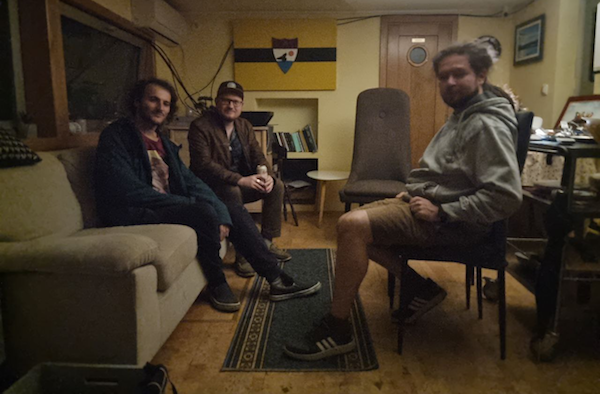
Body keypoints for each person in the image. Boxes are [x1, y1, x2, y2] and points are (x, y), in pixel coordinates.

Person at [283, 42, 523, 361]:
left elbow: (506, 196)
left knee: (351, 224)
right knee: (354, 231)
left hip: (456, 223)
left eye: (458, 74)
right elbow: (449, 172)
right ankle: (420, 289)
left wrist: (443, 211)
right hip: (425, 204)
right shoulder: (463, 116)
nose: (449, 83)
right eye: (443, 76)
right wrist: (412, 192)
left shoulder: (486, 124)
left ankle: (337, 330)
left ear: (480, 75)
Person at [94, 78, 321, 313]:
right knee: (204, 210)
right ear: (137, 101)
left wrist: (225, 208)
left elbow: (189, 181)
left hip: (166, 205)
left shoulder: (164, 142)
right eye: (153, 100)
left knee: (230, 207)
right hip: (135, 211)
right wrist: (199, 203)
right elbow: (129, 191)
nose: (160, 108)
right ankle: (217, 283)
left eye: (166, 103)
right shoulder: (118, 136)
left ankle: (275, 278)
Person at [188, 81, 290, 278]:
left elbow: (257, 154)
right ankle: (244, 254)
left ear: (242, 105)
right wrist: (240, 180)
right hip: (213, 188)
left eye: (236, 102)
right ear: (217, 102)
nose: (231, 106)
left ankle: (266, 243)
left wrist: (265, 175)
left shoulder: (244, 125)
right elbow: (204, 165)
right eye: (226, 100)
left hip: (241, 182)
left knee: (276, 186)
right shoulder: (200, 126)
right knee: (232, 190)